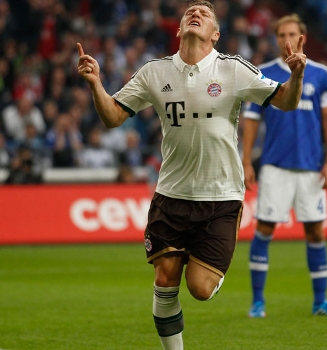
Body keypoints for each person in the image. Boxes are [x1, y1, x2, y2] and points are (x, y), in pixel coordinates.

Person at [76, 1, 306, 349]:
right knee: (165, 278)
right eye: (189, 12)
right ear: (180, 28)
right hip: (172, 195)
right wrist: (96, 84)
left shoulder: (234, 69)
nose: (194, 13)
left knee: (199, 289)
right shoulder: (154, 72)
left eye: (204, 12)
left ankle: (212, 269)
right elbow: (112, 117)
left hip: (221, 196)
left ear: (215, 34)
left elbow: (287, 102)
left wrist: (297, 74)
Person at [242, 14, 327, 318]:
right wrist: (247, 161)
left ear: (303, 37)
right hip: (275, 165)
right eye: (281, 33)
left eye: (292, 32)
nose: (286, 37)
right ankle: (258, 302)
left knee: (316, 232)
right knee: (264, 229)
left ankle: (320, 302)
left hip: (311, 167)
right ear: (276, 39)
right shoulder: (263, 73)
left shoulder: (320, 73)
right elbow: (250, 122)